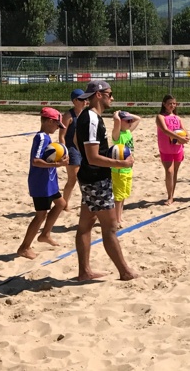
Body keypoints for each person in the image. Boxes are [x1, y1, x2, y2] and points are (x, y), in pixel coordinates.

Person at [74, 80, 137, 281]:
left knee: (85, 225)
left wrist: (103, 153)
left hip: (89, 176)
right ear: (99, 95)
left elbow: (77, 141)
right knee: (110, 228)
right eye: (110, 94)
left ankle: (84, 272)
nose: (113, 97)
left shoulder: (88, 116)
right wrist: (122, 164)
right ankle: (125, 272)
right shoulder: (92, 118)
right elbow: (92, 157)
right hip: (96, 179)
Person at [17, 107, 69, 259]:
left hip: (49, 181)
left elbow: (45, 158)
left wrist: (58, 160)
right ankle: (24, 247)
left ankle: (45, 234)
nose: (57, 128)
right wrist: (57, 165)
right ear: (48, 121)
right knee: (40, 215)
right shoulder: (41, 138)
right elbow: (36, 161)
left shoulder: (46, 137)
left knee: (61, 204)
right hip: (40, 183)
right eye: (56, 125)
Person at [156, 94, 189, 205]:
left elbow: (184, 129)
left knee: (175, 172)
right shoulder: (160, 117)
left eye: (174, 103)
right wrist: (179, 137)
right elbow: (165, 130)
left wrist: (187, 136)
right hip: (166, 148)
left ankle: (172, 195)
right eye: (170, 103)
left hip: (177, 147)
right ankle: (170, 197)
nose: (172, 105)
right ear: (164, 104)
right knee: (169, 171)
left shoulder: (177, 117)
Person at [111, 110, 141, 226]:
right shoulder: (117, 135)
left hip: (128, 168)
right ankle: (117, 219)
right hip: (119, 169)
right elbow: (117, 121)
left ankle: (120, 217)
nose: (130, 122)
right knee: (118, 196)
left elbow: (138, 118)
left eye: (130, 121)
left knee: (123, 195)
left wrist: (127, 115)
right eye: (128, 121)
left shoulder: (128, 132)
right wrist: (116, 115)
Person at [59, 88, 87, 208]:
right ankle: (64, 204)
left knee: (84, 178)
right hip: (71, 149)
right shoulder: (68, 115)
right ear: (75, 101)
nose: (85, 101)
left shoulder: (86, 114)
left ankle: (86, 203)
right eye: (82, 99)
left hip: (83, 149)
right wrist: (65, 152)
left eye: (86, 99)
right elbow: (61, 136)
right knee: (73, 179)